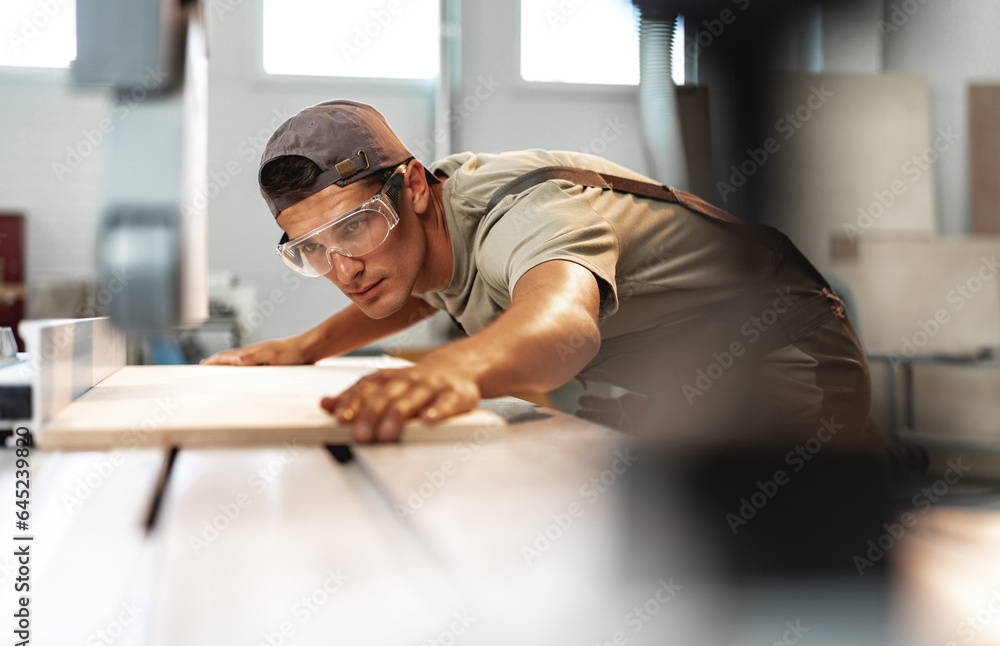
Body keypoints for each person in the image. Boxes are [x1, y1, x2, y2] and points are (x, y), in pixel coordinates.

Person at [203, 99, 872, 446]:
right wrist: (306, 348)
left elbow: (564, 326)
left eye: (353, 226)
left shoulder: (521, 212)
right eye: (312, 249)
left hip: (788, 354)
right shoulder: (424, 234)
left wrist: (455, 369)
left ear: (412, 185)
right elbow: (418, 291)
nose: (344, 268)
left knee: (793, 558)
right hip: (685, 366)